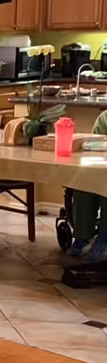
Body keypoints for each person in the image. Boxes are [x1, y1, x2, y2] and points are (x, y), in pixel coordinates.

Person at [69, 109, 107, 259]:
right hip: (101, 168)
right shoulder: (104, 118)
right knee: (83, 188)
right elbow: (94, 147)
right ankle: (81, 238)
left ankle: (103, 239)